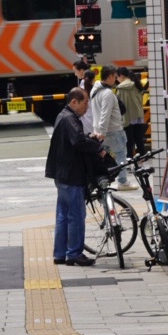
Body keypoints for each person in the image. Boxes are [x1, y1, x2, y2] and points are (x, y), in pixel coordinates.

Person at [45, 88, 109, 267]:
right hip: (72, 174)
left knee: (63, 215)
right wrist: (98, 148)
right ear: (74, 102)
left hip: (62, 174)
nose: (87, 106)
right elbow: (78, 141)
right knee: (75, 215)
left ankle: (60, 254)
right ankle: (74, 253)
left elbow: (76, 139)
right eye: (85, 102)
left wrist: (88, 136)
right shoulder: (70, 119)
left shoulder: (63, 116)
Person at [90, 64, 129, 179]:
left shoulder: (95, 89)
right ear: (110, 76)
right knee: (121, 154)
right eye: (115, 76)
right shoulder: (107, 93)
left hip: (100, 130)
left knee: (103, 157)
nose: (116, 79)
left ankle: (104, 179)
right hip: (112, 130)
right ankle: (123, 181)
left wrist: (100, 130)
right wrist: (102, 130)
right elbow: (105, 113)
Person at [117, 69, 147, 159]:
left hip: (128, 117)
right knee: (139, 140)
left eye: (117, 77)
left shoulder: (120, 88)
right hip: (139, 116)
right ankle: (142, 159)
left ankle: (129, 160)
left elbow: (119, 104)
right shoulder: (137, 85)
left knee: (129, 141)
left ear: (121, 75)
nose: (117, 79)